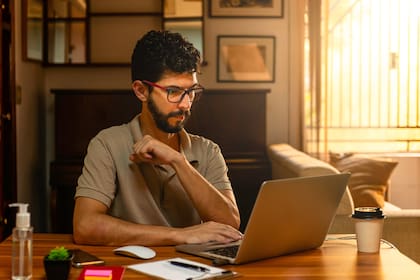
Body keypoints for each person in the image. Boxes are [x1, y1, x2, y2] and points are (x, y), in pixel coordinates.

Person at [73, 30, 242, 246]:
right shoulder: (107, 144)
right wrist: (181, 235)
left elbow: (229, 223)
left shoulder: (208, 150)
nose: (185, 104)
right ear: (141, 91)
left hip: (191, 272)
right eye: (173, 91)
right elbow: (85, 227)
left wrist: (178, 161)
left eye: (191, 91)